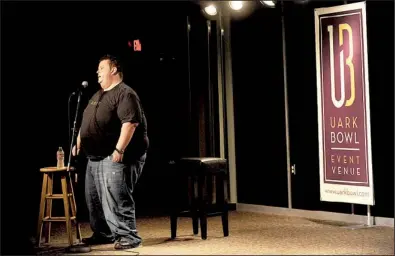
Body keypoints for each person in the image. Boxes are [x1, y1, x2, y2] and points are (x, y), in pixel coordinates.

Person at [72, 54, 149, 250]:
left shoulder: (125, 94)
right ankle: (103, 233)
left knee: (116, 196)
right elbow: (85, 120)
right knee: (94, 199)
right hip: (94, 157)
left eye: (101, 68)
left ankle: (128, 236)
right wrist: (79, 142)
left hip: (116, 155)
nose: (97, 72)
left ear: (113, 70)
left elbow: (130, 123)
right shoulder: (97, 95)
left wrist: (119, 149)